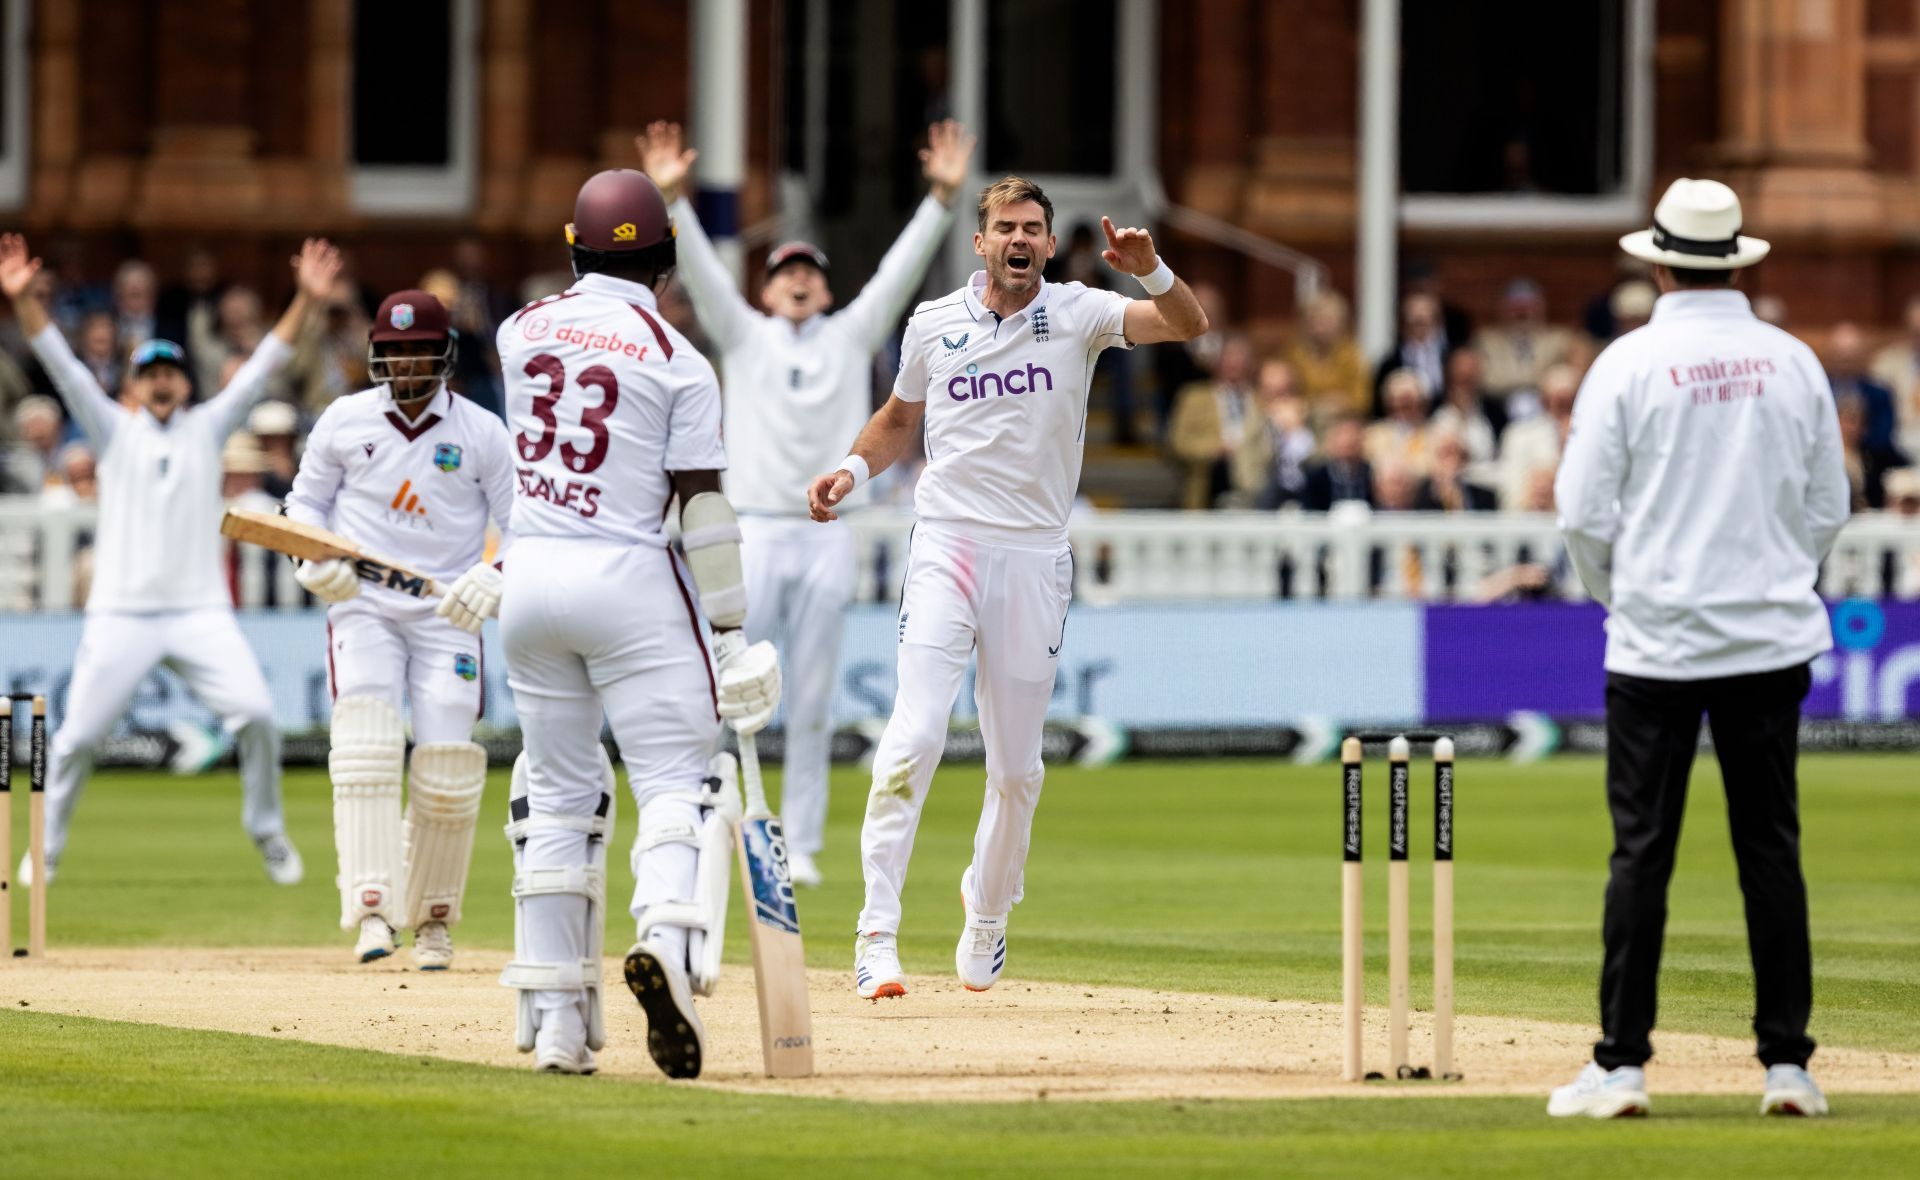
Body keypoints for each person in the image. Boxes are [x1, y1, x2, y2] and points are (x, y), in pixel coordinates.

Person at [808, 178, 1208, 1000]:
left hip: (1034, 556)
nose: (1019, 239)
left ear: (1049, 245)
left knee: (1019, 770)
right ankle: (875, 936)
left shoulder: (1080, 312)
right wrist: (850, 470)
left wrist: (1153, 268)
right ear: (982, 243)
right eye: (1004, 228)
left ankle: (986, 913)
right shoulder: (933, 324)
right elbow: (896, 419)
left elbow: (1187, 326)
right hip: (949, 543)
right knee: (914, 738)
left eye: (1033, 228)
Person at [1549, 178, 1849, 1119]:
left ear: (1656, 260)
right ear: (1736, 260)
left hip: (1658, 645)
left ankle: (1623, 1064)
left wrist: (1624, 597)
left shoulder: (1629, 364)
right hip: (1768, 638)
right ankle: (1788, 1067)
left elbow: (1582, 514)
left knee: (1642, 853)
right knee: (1771, 849)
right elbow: (1828, 508)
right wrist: (1770, 579)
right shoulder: (1792, 360)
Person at [494, 169, 781, 1077]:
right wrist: (730, 632)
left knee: (558, 796)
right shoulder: (678, 358)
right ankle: (663, 934)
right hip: (625, 577)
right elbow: (701, 506)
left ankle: (555, 1026)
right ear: (664, 261)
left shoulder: (516, 330)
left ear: (573, 249)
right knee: (675, 778)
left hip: (529, 580)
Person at [637, 117, 974, 889]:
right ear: (766, 287)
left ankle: (804, 844)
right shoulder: (746, 335)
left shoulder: (850, 336)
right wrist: (672, 199)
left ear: (824, 285)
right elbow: (708, 277)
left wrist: (942, 202)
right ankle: (713, 818)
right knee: (734, 690)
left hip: (828, 531)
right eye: (783, 270)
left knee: (814, 698)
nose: (795, 279)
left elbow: (895, 275)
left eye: (807, 271)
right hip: (752, 528)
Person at [0, 231, 340, 886]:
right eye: (149, 374)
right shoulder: (111, 428)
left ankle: (265, 829)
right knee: (73, 743)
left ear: (184, 383)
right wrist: (23, 302)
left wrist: (304, 299)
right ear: (132, 387)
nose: (160, 383)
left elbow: (268, 361)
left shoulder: (207, 428)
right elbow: (65, 368)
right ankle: (46, 852)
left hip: (198, 613)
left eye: (170, 373)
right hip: (121, 614)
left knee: (258, 718)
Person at [283, 289, 517, 968]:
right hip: (364, 602)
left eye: (419, 349)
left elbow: (522, 521)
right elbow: (305, 503)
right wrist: (312, 558)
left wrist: (494, 573)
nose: (406, 361)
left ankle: (434, 919)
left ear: (443, 354)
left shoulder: (480, 431)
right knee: (367, 746)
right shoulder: (344, 419)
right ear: (376, 352)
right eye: (395, 349)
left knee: (446, 767)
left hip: (448, 610)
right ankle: (374, 912)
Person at [1168, 333, 1269, 509]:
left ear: (1250, 364)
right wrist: (1214, 449)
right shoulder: (1194, 397)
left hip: (1252, 489)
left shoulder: (1261, 400)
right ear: (1218, 362)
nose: (1235, 363)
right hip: (1208, 484)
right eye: (1230, 357)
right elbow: (1178, 442)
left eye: (1241, 358)